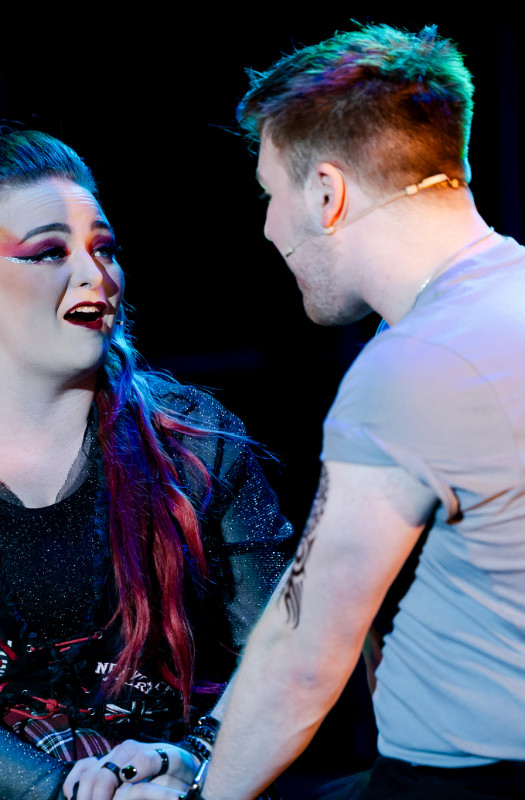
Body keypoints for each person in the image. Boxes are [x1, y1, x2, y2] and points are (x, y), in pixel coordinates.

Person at [75, 21, 525, 800]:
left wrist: (202, 793)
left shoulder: (412, 365)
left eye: (269, 193)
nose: (266, 225)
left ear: (325, 193)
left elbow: (305, 651)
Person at [0, 128, 293, 800]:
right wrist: (65, 791)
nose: (95, 275)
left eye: (104, 248)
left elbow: (284, 649)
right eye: (49, 252)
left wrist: (190, 761)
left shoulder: (196, 442)